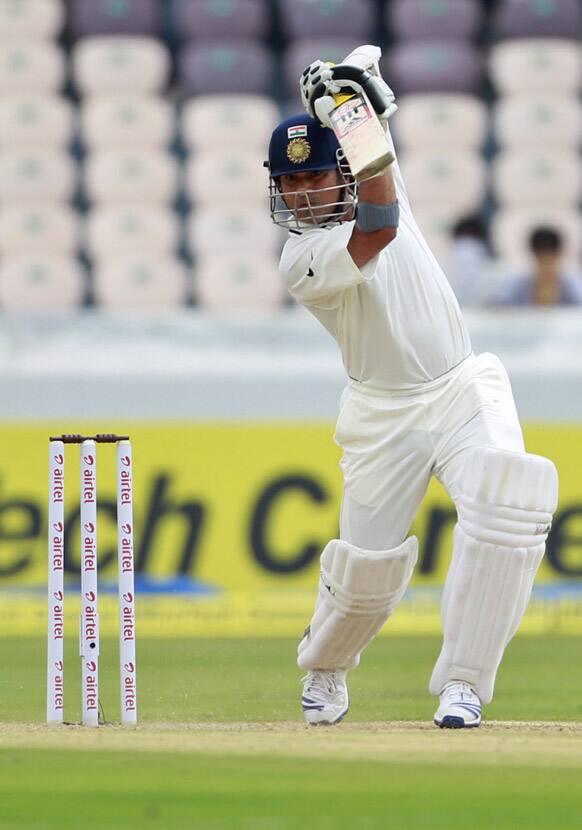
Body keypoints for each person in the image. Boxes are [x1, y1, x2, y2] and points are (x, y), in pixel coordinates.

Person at [264, 45, 558, 729]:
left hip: (461, 384)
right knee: (365, 574)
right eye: (290, 182)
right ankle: (328, 668)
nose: (303, 191)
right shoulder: (300, 259)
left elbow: (372, 98)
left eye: (313, 177)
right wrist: (349, 108)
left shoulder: (377, 166)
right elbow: (379, 223)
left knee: (509, 503)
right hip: (381, 413)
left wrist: (355, 89)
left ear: (339, 169)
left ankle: (464, 683)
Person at [495, 226, 582, 306]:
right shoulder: (518, 285)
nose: (546, 268)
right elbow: (494, 307)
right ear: (534, 256)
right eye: (542, 261)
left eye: (550, 261)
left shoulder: (572, 287)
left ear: (559, 255)